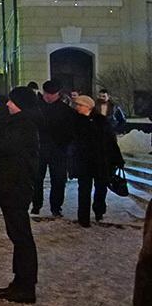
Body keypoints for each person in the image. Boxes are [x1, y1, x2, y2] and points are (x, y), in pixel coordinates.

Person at [0, 86, 42, 304]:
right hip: (13, 185)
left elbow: (2, 147)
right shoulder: (20, 123)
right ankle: (20, 281)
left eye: (12, 102)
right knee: (18, 237)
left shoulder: (23, 125)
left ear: (21, 104)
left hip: (15, 186)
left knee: (22, 237)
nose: (8, 104)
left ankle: (26, 286)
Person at [68, 95, 124, 227]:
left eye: (79, 105)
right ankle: (83, 218)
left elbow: (111, 141)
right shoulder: (76, 121)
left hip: (100, 160)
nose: (77, 107)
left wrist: (117, 159)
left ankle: (99, 212)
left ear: (87, 106)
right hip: (84, 161)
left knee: (100, 188)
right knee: (84, 190)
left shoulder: (101, 121)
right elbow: (72, 141)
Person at [33, 79, 75, 217]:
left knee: (58, 181)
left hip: (58, 150)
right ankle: (36, 205)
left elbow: (70, 131)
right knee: (36, 179)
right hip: (39, 149)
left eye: (52, 94)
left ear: (58, 94)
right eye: (46, 93)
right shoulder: (36, 108)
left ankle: (56, 207)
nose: (49, 97)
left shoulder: (65, 110)